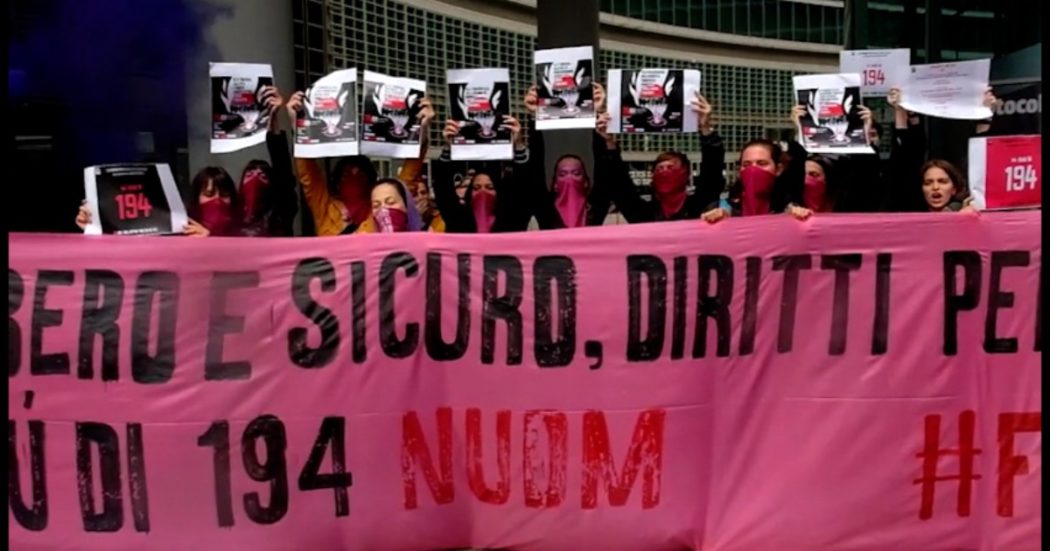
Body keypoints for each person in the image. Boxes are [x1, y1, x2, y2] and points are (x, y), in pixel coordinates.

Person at [75, 86, 294, 237]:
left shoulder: (248, 234)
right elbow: (132, 244)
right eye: (209, 194)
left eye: (224, 195)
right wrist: (95, 225)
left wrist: (273, 125)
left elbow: (285, 188)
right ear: (195, 199)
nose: (218, 200)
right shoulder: (177, 231)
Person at [288, 92, 435, 235]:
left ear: (370, 181)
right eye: (347, 175)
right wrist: (298, 128)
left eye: (360, 175)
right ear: (337, 182)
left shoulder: (379, 207)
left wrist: (420, 132)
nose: (354, 180)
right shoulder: (324, 208)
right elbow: (309, 176)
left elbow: (406, 179)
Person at [595, 91, 727, 224]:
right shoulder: (642, 213)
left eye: (671, 167)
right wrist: (609, 143)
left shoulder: (700, 206)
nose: (664, 172)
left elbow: (712, 172)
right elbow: (619, 186)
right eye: (659, 169)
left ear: (686, 174)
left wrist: (706, 129)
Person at [519, 83, 611, 229]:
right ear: (554, 183)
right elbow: (535, 168)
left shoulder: (598, 206)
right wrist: (537, 115)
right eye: (562, 174)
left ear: (586, 181)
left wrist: (596, 114)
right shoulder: (544, 209)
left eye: (576, 173)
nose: (570, 178)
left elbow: (607, 171)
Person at [432, 116, 530, 233]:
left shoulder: (513, 220)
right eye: (476, 188)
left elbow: (525, 186)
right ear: (469, 194)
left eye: (490, 187)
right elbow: (442, 187)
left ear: (499, 192)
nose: (483, 193)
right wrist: (448, 147)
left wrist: (518, 145)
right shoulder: (458, 220)